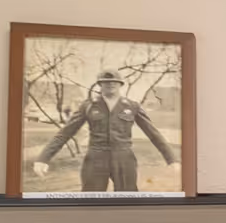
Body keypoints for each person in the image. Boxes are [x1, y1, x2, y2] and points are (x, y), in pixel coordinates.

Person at [30, 71, 176, 192]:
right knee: (90, 200)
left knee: (128, 200)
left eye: (114, 82)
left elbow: (153, 133)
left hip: (123, 158)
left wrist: (172, 159)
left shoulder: (132, 106)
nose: (111, 84)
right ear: (100, 84)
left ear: (120, 84)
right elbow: (64, 133)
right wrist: (43, 158)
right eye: (106, 82)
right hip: (95, 158)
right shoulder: (88, 106)